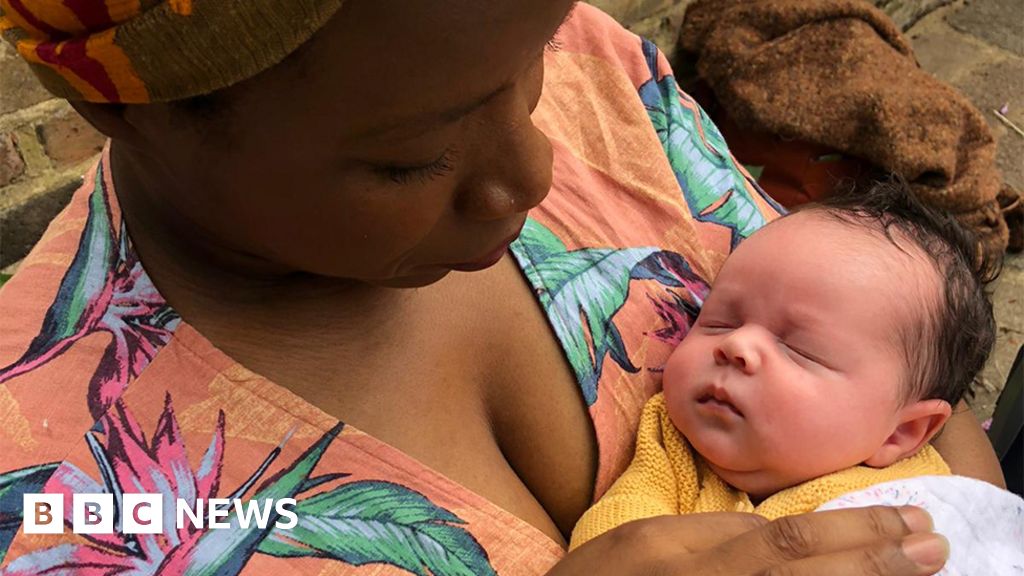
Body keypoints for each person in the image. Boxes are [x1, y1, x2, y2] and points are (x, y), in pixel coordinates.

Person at [0, 1, 1004, 574]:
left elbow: (911, 359)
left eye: (530, 62)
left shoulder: (575, 60)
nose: (531, 171)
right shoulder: (70, 506)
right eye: (409, 161)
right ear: (123, 109)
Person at [569, 181, 997, 549]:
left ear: (901, 432)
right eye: (718, 321)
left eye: (800, 349)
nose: (737, 345)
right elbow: (617, 540)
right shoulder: (670, 446)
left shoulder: (925, 502)